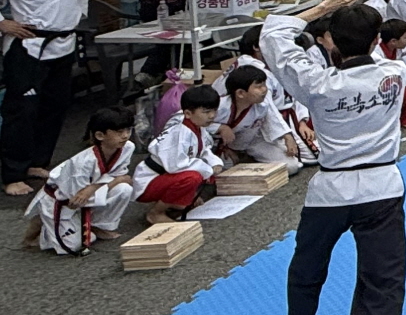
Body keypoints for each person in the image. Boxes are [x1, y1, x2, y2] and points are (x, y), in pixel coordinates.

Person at [263, 0, 406, 315]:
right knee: (382, 283)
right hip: (382, 187)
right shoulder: (395, 74)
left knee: (308, 268)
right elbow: (369, 56)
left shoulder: (316, 83)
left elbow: (273, 36)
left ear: (329, 43)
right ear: (378, 41)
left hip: (331, 190)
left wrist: (322, 9)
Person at [0, 0, 93, 196]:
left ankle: (38, 161)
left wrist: (78, 14)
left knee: (55, 105)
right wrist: (3, 22)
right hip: (28, 44)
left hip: (62, 42)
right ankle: (12, 173)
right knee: (22, 109)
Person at [25, 107, 136, 253]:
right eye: (119, 132)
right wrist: (114, 182)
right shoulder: (82, 163)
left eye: (128, 130)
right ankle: (43, 224)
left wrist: (94, 187)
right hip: (61, 200)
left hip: (91, 191)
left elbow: (116, 174)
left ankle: (100, 225)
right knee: (73, 246)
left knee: (124, 189)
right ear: (100, 135)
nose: (125, 136)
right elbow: (75, 199)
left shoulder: (128, 147)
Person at [134, 83, 222, 223]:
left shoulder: (196, 126)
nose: (212, 116)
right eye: (206, 112)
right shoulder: (179, 132)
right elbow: (176, 166)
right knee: (192, 177)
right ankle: (156, 213)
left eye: (214, 111)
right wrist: (207, 169)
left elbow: (204, 150)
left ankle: (176, 202)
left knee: (196, 172)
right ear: (188, 113)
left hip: (163, 177)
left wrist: (214, 163)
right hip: (149, 182)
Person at [215, 63, 303, 172]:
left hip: (252, 141)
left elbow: (274, 118)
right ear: (241, 93)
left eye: (264, 85)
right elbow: (199, 127)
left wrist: (288, 137)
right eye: (258, 87)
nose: (264, 90)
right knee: (222, 170)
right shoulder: (220, 107)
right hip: (218, 146)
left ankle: (249, 160)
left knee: (291, 166)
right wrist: (220, 128)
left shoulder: (263, 103)